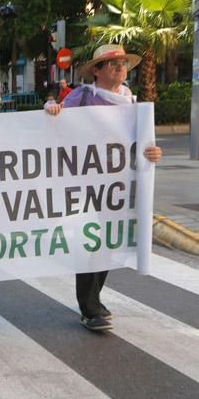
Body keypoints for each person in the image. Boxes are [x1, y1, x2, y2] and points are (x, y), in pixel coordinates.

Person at [44, 44, 162, 331]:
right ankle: (91, 306)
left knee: (107, 241)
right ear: (96, 70)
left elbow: (143, 144)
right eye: (112, 63)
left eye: (122, 62)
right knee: (92, 240)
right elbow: (50, 121)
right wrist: (50, 109)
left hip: (118, 186)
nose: (120, 67)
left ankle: (92, 302)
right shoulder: (83, 96)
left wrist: (153, 153)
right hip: (84, 183)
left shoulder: (134, 104)